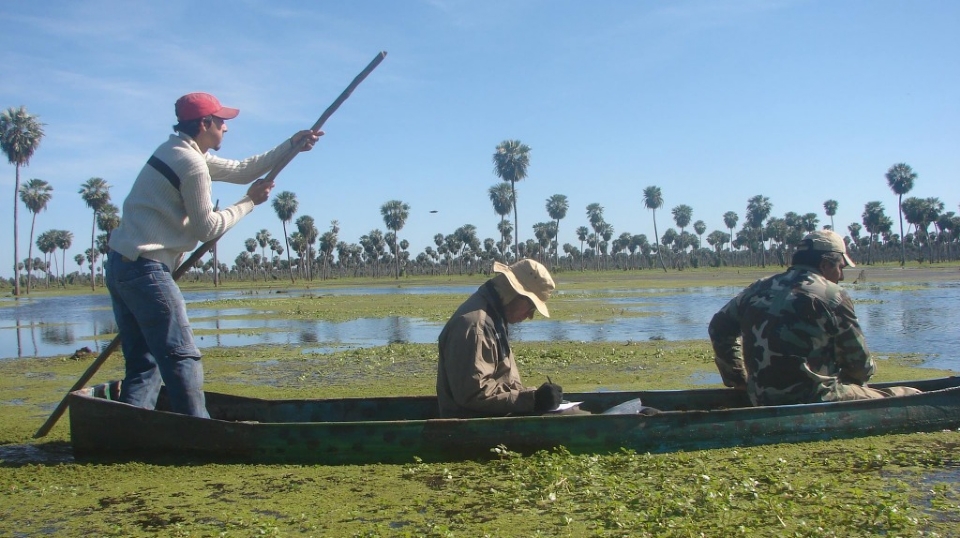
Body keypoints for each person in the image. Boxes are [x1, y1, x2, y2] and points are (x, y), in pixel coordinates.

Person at [106, 92, 322, 417]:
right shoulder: (191, 164)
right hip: (146, 270)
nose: (226, 128)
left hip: (121, 265)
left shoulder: (177, 150)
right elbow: (206, 229)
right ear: (205, 123)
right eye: (222, 122)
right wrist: (248, 203)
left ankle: (129, 429)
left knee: (144, 362)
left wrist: (291, 145)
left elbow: (242, 169)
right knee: (182, 355)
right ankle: (198, 429)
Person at [708, 229, 921, 406]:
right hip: (816, 397)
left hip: (759, 397)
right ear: (826, 264)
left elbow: (719, 327)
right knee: (909, 394)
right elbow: (860, 366)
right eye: (840, 267)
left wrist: (738, 379)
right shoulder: (832, 296)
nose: (842, 276)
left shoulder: (757, 288)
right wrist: (853, 383)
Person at [437, 259, 564, 418]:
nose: (530, 315)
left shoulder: (494, 317)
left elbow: (502, 382)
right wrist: (533, 400)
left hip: (493, 420)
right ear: (515, 293)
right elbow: (474, 395)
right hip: (474, 429)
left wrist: (535, 396)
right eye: (531, 306)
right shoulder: (477, 326)